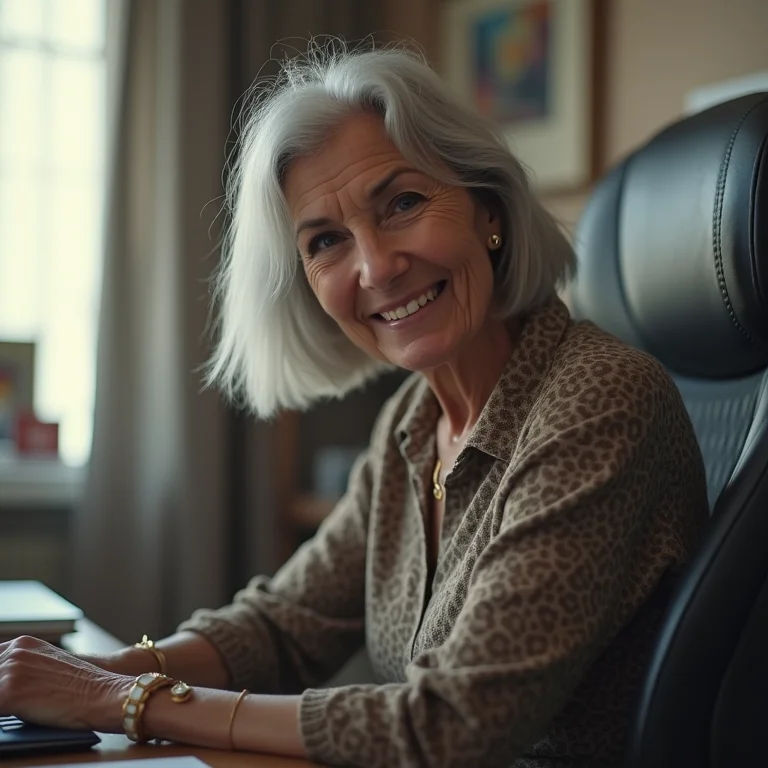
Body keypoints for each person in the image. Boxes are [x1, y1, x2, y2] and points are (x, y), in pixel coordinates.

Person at [0, 41, 708, 768]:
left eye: (402, 203)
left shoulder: (599, 401)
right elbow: (285, 625)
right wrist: (88, 678)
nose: (375, 267)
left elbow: (453, 724)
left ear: (486, 210)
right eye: (327, 240)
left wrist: (126, 704)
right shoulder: (414, 421)